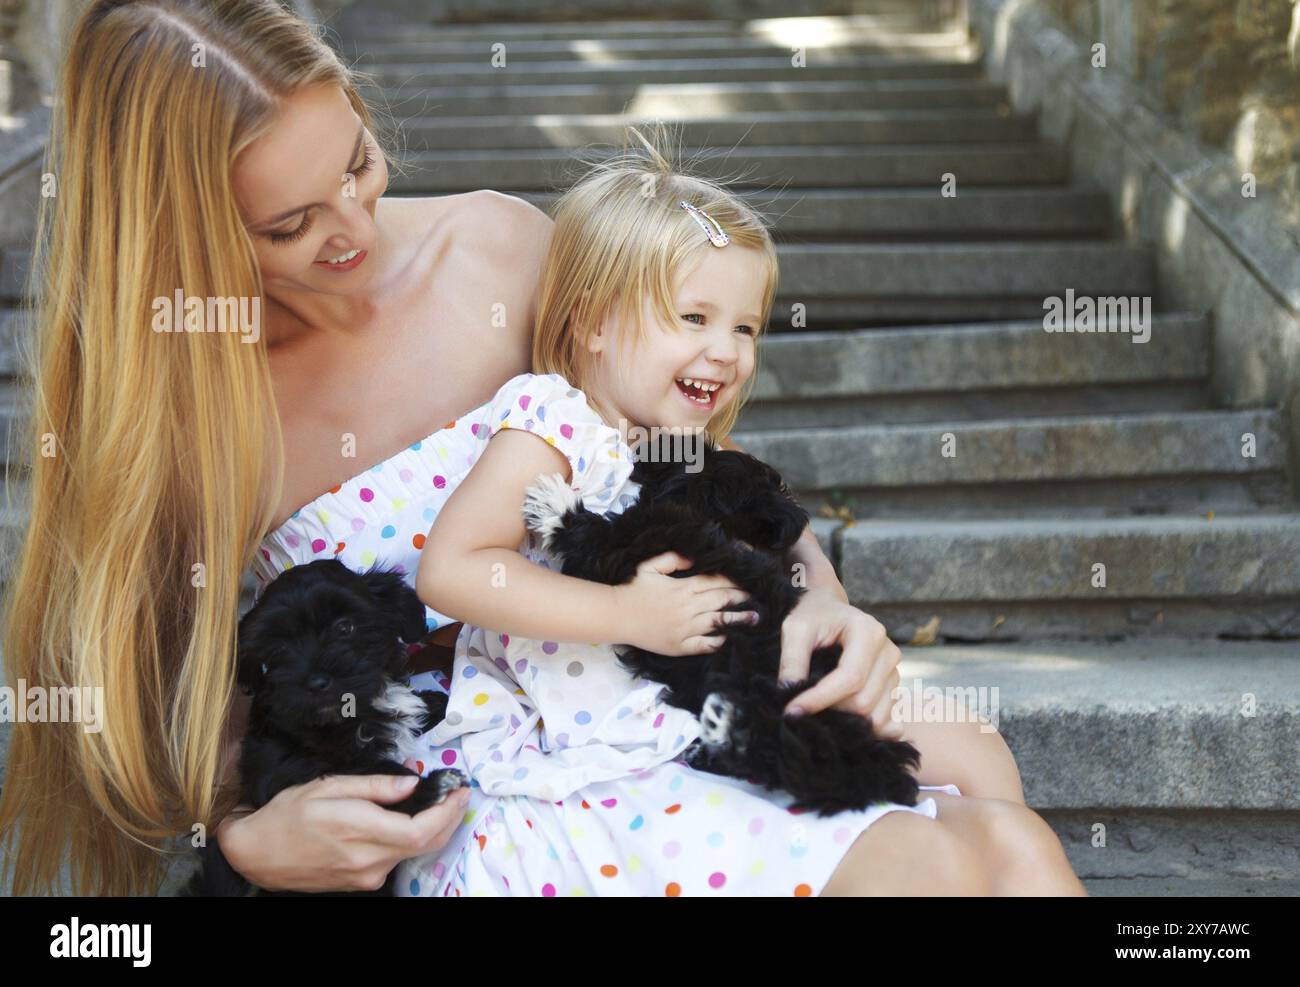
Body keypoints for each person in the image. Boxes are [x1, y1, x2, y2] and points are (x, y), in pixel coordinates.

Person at [0, 0, 1071, 896]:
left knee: (993, 802)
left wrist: (820, 599)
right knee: (950, 867)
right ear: (177, 224)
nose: (355, 228)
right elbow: (166, 715)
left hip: (656, 681)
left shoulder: (503, 248)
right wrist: (241, 837)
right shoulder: (180, 418)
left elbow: (685, 475)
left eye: (359, 163)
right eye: (289, 226)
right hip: (504, 790)